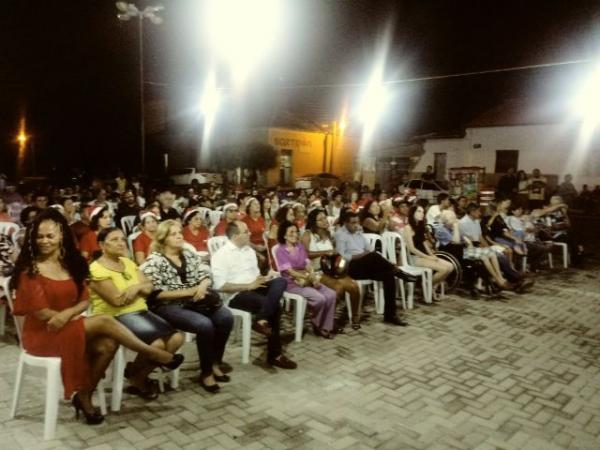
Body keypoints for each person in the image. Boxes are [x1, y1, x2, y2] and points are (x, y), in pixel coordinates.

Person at [11, 209, 183, 425]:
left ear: (62, 235)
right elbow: (43, 314)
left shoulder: (70, 265)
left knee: (108, 344)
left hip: (68, 324)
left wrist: (68, 315)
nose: (44, 241)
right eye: (39, 236)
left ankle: (84, 395)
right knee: (103, 321)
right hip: (43, 335)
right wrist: (69, 317)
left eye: (50, 235)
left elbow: (84, 300)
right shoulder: (31, 270)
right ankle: (154, 354)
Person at [90, 227, 184, 400]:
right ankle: (139, 379)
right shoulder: (96, 269)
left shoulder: (127, 262)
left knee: (177, 338)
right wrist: (138, 289)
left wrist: (136, 288)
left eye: (122, 239)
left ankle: (136, 374)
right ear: (102, 245)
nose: (120, 243)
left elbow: (149, 286)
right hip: (115, 317)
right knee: (157, 345)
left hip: (140, 311)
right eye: (114, 239)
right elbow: (117, 301)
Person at [141, 220, 233, 393]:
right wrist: (190, 291)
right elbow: (156, 294)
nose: (179, 236)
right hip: (167, 305)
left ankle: (214, 363)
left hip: (194, 301)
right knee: (204, 325)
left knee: (225, 318)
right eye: (173, 234)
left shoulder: (188, 254)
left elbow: (205, 271)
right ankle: (206, 374)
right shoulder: (155, 260)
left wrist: (203, 285)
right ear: (163, 238)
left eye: (179, 233)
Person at [211, 221, 297, 369]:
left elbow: (256, 276)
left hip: (255, 286)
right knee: (274, 306)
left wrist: (265, 278)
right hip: (236, 294)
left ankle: (261, 318)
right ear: (236, 235)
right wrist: (248, 286)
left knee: (280, 281)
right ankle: (274, 355)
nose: (250, 233)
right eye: (246, 231)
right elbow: (220, 286)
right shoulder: (221, 255)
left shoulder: (249, 251)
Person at [335, 212, 418, 326]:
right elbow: (344, 257)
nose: (356, 225)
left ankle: (390, 315)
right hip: (351, 268)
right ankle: (399, 272)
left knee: (389, 276)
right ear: (345, 223)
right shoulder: (340, 234)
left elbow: (368, 248)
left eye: (357, 222)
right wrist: (362, 254)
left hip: (365, 265)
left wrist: (365, 252)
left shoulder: (358, 232)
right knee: (374, 256)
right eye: (353, 223)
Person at [275, 221, 337, 338]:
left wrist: (312, 274)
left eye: (296, 232)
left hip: (306, 279)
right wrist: (308, 277)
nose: (295, 234)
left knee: (331, 294)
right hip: (292, 283)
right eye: (291, 232)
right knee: (319, 299)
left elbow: (307, 264)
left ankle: (326, 326)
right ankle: (317, 324)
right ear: (284, 235)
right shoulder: (281, 251)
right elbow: (290, 272)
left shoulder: (300, 247)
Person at [302, 209, 362, 329]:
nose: (325, 221)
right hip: (317, 271)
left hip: (332, 270)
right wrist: (325, 252)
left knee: (354, 286)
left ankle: (355, 316)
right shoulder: (307, 234)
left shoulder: (328, 234)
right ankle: (326, 320)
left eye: (325, 217)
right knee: (337, 288)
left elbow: (335, 252)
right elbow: (305, 254)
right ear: (314, 222)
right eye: (320, 219)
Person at [403, 205, 454, 300]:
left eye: (423, 212)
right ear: (412, 213)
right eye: (419, 211)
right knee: (443, 269)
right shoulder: (408, 228)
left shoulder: (420, 226)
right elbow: (412, 249)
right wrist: (429, 258)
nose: (422, 214)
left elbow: (424, 243)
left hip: (424, 256)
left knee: (450, 267)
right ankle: (427, 288)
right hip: (414, 258)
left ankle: (432, 288)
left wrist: (431, 254)